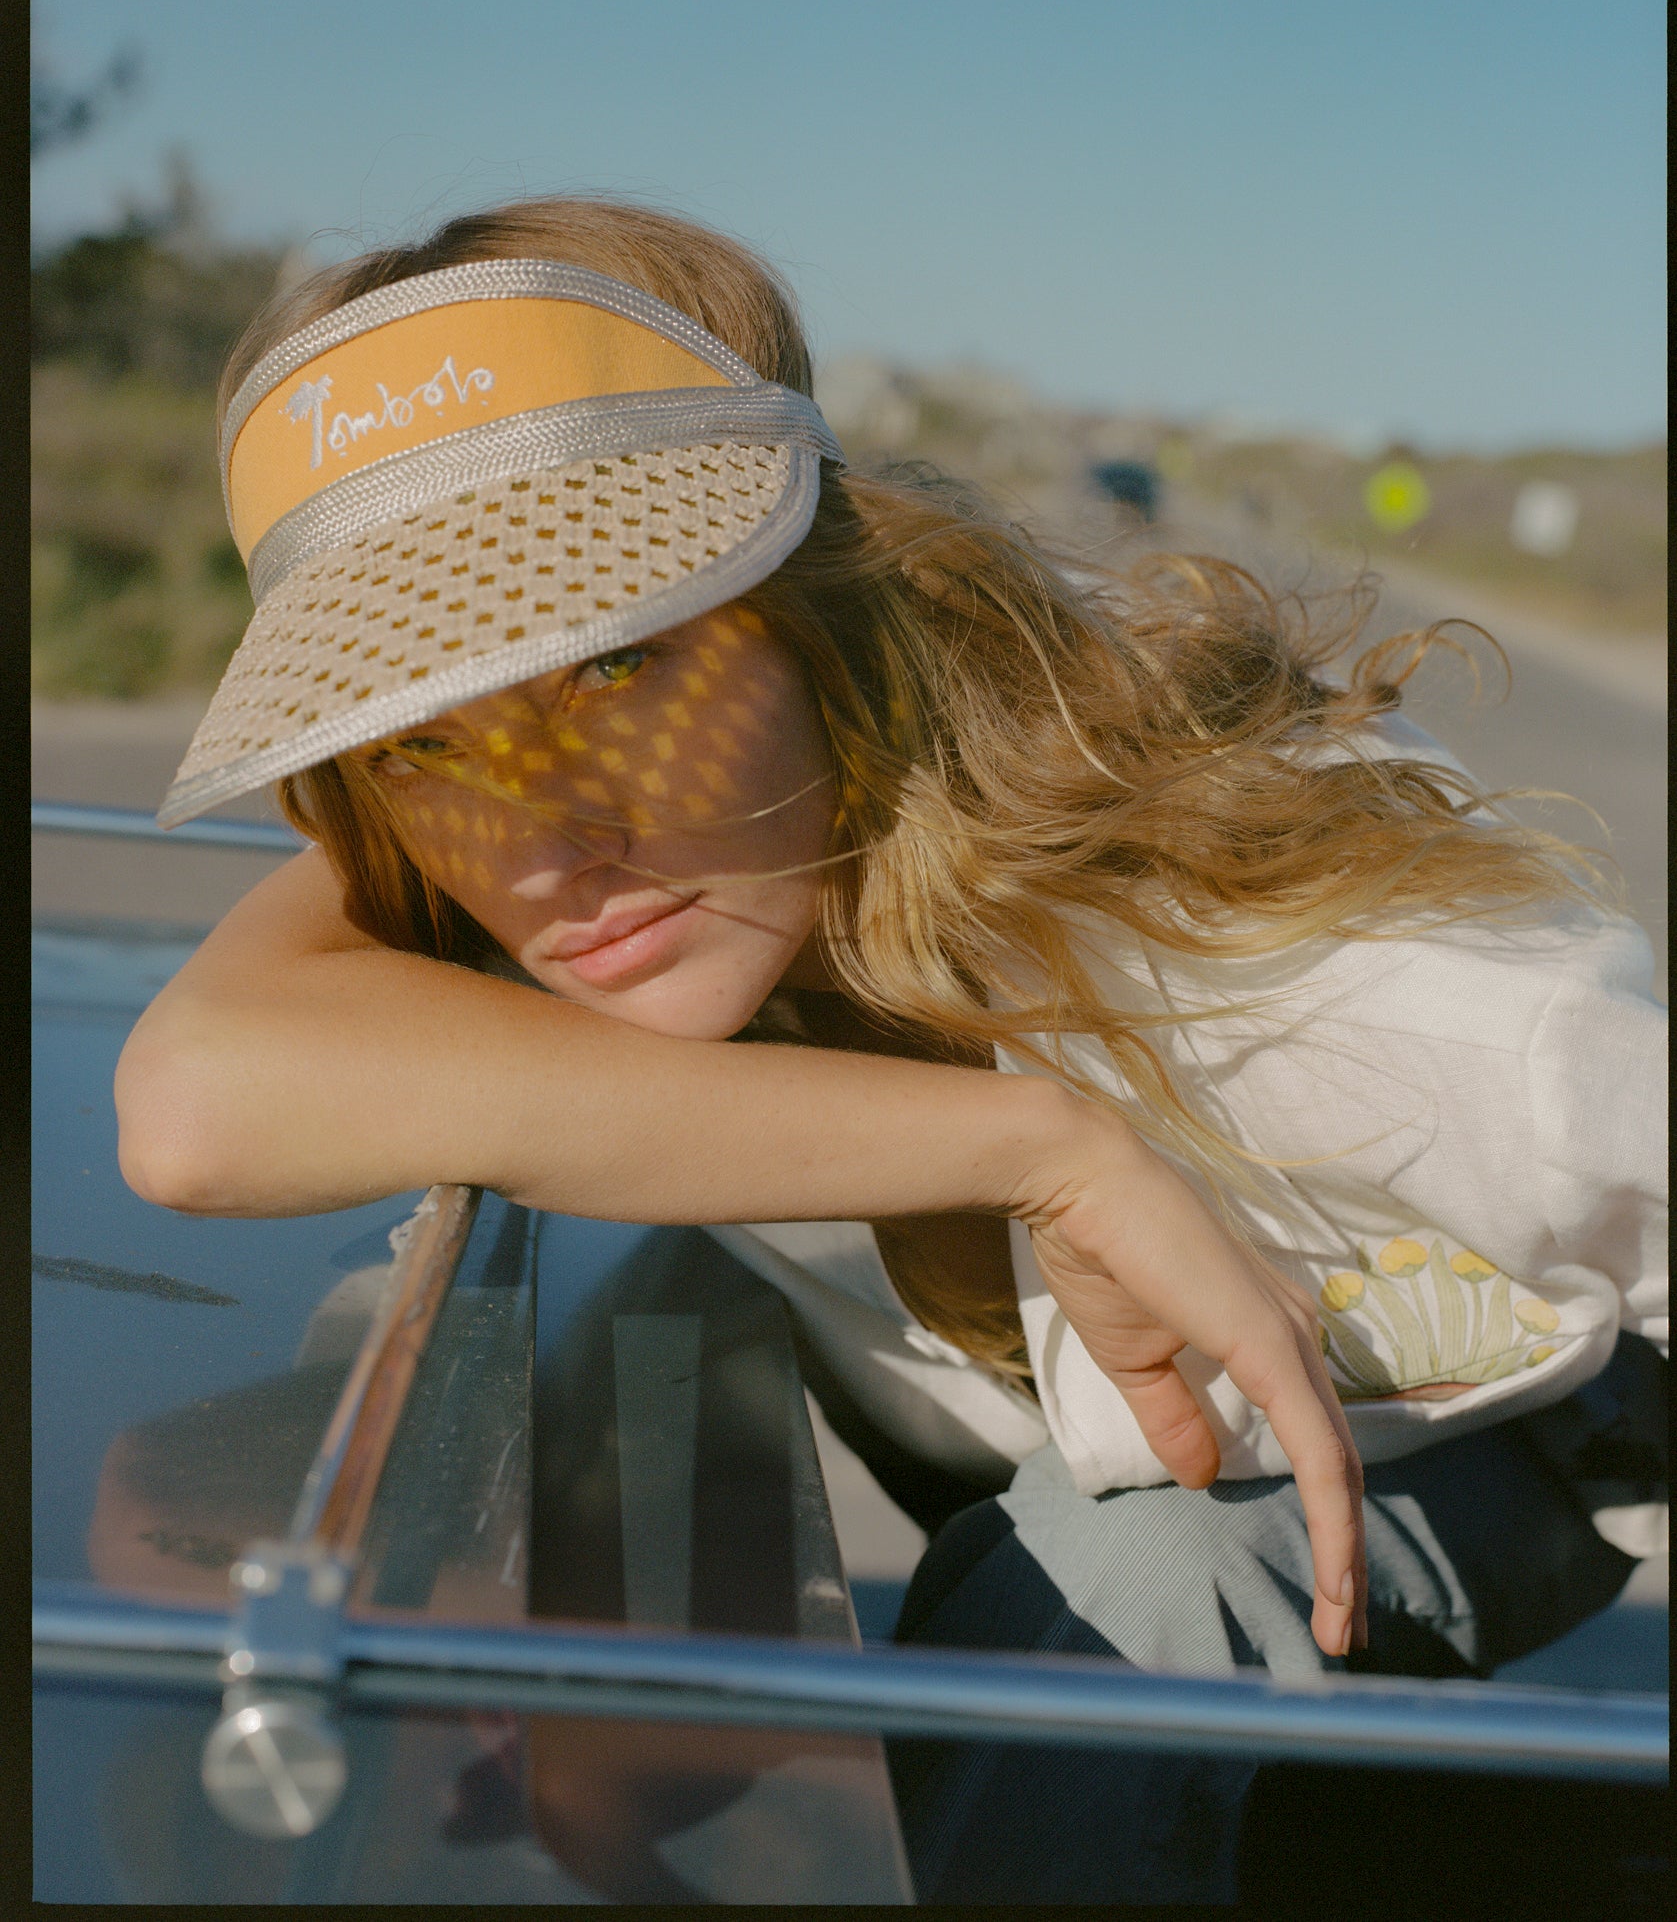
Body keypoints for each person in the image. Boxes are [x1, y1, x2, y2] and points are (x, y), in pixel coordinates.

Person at [114, 197, 1667, 1904]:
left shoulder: (1372, 995)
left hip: (1484, 1438)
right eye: (417, 739)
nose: (543, 848)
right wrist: (1037, 1149)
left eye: (620, 660)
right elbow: (193, 1103)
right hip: (984, 1446)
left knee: (1114, 1586)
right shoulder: (552, 876)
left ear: (819, 612)